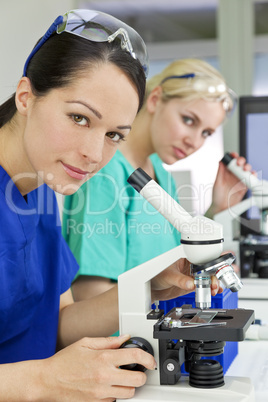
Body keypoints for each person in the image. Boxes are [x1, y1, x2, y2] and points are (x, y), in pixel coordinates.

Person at [0, 9, 224, 401]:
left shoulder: (42, 188)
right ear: (26, 96)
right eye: (79, 118)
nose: (92, 154)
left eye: (115, 135)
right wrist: (43, 380)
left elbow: (59, 323)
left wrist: (149, 287)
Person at [62, 58, 251, 301]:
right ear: (154, 99)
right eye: (188, 120)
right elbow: (89, 294)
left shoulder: (161, 176)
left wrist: (217, 208)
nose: (194, 141)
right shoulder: (105, 173)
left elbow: (173, 266)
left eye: (206, 133)